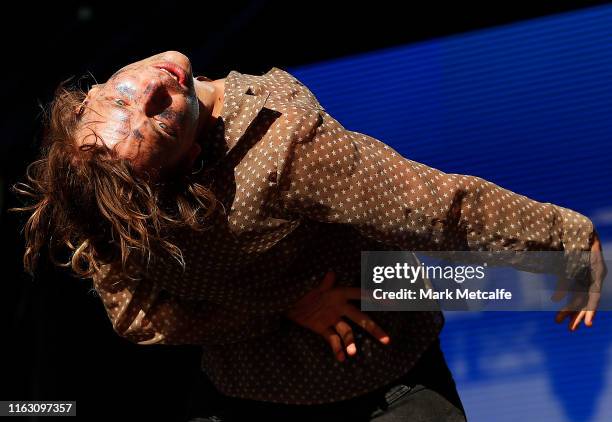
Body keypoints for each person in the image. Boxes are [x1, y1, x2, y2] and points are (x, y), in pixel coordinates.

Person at [11, 51, 606, 421]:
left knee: (411, 281)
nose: (151, 88)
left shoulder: (90, 174)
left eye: (122, 95)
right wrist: (566, 237)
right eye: (162, 117)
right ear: (191, 158)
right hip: (359, 384)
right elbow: (437, 208)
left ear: (91, 98)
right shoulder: (281, 148)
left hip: (369, 342)